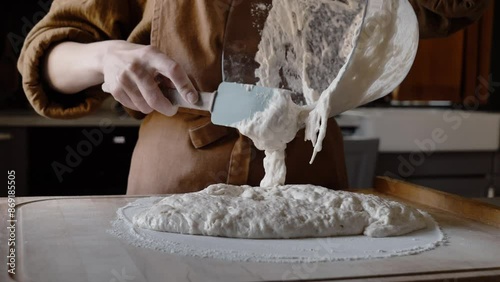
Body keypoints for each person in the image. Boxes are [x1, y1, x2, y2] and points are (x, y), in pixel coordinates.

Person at [18, 0, 491, 195]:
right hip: (171, 177)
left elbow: (453, 8)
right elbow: (45, 60)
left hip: (312, 169)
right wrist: (103, 57)